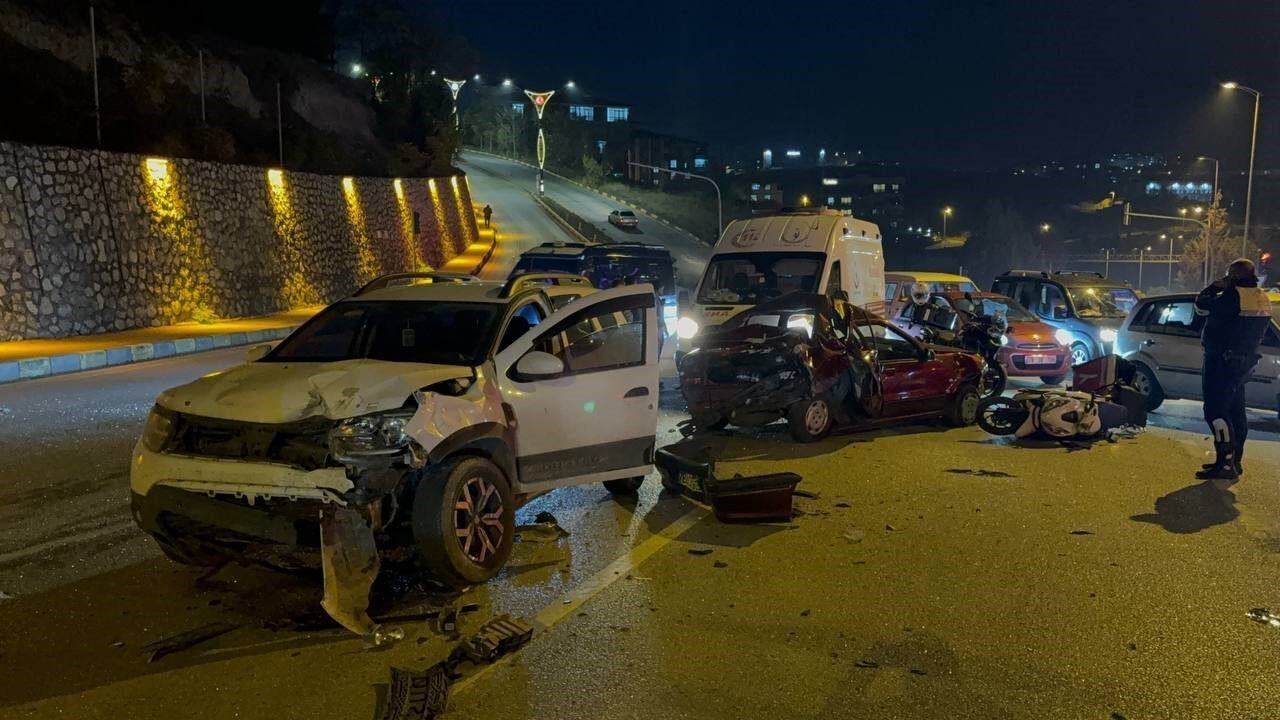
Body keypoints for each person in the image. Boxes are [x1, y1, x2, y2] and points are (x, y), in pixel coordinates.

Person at [1194, 258, 1272, 485]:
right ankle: (1235, 460)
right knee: (1236, 410)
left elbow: (1201, 307)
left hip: (1221, 361)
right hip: (1244, 362)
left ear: (1234, 275)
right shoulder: (1261, 296)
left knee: (1215, 410)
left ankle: (1224, 463)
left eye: (1229, 274)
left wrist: (1214, 287)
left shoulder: (1232, 296)